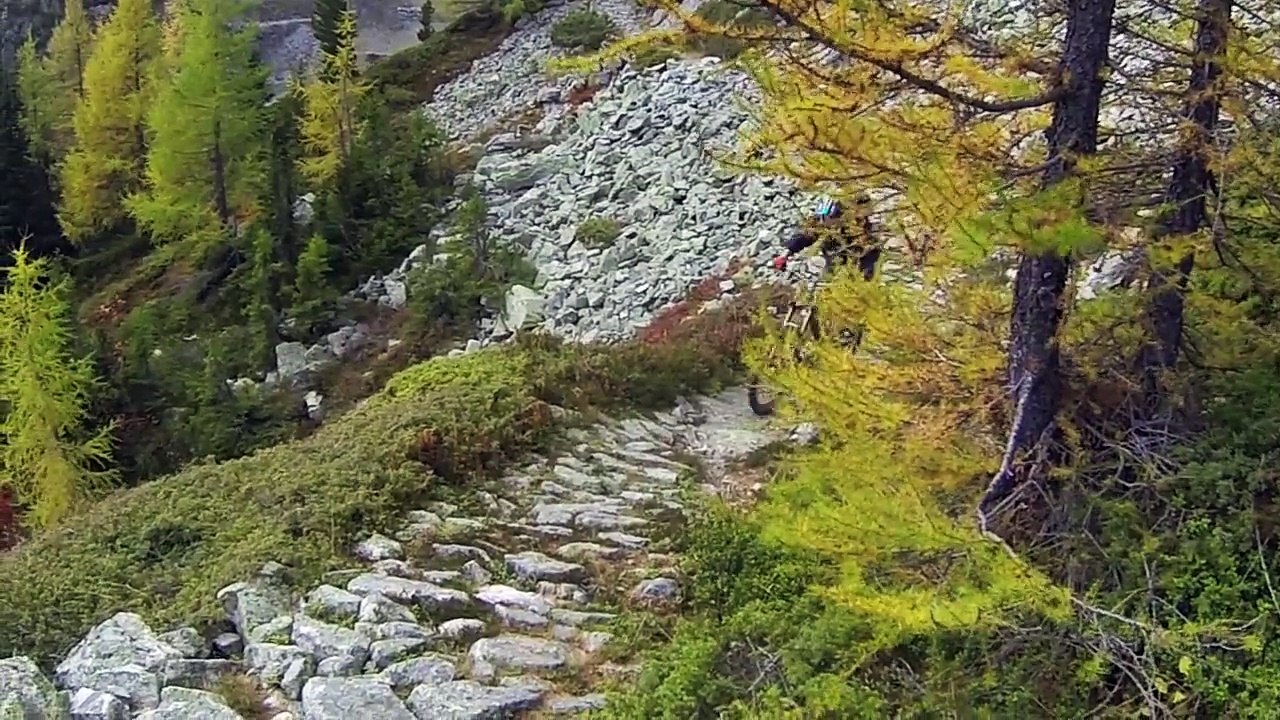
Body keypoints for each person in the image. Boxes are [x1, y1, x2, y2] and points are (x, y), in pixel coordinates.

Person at [773, 193, 881, 281]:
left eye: (829, 219)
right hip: (833, 266)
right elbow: (805, 236)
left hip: (858, 267)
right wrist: (785, 254)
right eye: (822, 218)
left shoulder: (862, 228)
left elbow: (871, 253)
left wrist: (865, 274)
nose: (824, 222)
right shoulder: (821, 223)